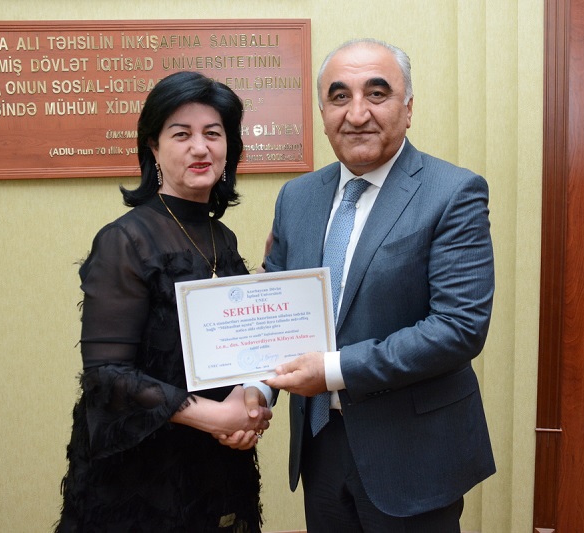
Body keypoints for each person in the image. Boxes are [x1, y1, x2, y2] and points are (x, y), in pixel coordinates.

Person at [263, 38, 495, 532]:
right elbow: (275, 307)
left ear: (407, 109)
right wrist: (256, 390)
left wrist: (332, 370)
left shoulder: (453, 192)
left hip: (413, 453)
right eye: (339, 97)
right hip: (320, 445)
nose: (357, 113)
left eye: (377, 93)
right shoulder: (296, 197)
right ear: (323, 113)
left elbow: (458, 329)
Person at [56, 71, 273, 532]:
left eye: (213, 133)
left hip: (216, 466)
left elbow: (232, 347)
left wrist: (248, 403)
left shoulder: (222, 237)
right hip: (141, 476)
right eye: (182, 134)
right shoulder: (124, 240)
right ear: (153, 147)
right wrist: (215, 416)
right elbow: (106, 377)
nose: (200, 147)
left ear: (229, 147)